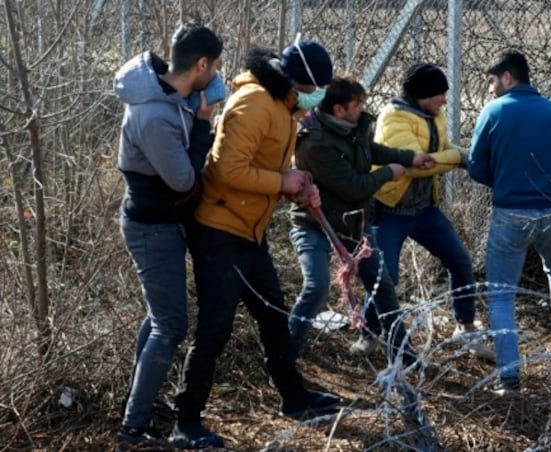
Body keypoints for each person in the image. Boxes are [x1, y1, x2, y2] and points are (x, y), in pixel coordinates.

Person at [171, 41, 342, 448]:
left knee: (272, 315)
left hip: (248, 229)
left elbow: (262, 165)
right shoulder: (254, 103)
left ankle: (294, 398)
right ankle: (186, 420)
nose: (318, 97)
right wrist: (281, 182)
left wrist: (295, 184)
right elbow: (226, 168)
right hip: (219, 228)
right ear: (297, 81)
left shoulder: (282, 106)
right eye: (315, 88)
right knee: (215, 327)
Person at [113, 23, 223, 450]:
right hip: (151, 228)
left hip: (160, 224)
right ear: (201, 65)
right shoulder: (154, 114)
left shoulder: (168, 95)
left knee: (159, 316)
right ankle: (133, 429)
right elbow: (181, 179)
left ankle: (137, 403)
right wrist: (202, 126)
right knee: (170, 324)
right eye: (215, 66)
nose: (217, 74)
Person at [287, 76, 435, 363]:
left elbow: (371, 151)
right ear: (339, 110)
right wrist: (388, 173)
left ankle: (403, 354)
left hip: (353, 223)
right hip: (315, 225)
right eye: (358, 104)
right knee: (316, 287)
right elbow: (354, 186)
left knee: (382, 287)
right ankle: (286, 355)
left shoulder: (352, 127)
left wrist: (409, 157)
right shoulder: (315, 143)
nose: (363, 108)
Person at [468, 50, 551, 395]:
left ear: (508, 77)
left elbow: (477, 168)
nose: (491, 89)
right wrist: (549, 184)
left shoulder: (493, 112)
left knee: (502, 296)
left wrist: (508, 181)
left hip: (511, 214)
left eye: (492, 81)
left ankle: (510, 379)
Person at [356, 63, 492, 359]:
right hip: (391, 209)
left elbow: (439, 150)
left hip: (424, 209)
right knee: (385, 275)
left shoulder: (435, 115)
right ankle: (369, 333)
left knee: (459, 260)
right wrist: (458, 157)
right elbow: (415, 166)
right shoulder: (394, 119)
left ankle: (466, 326)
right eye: (440, 94)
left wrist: (461, 154)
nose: (445, 100)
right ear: (422, 95)